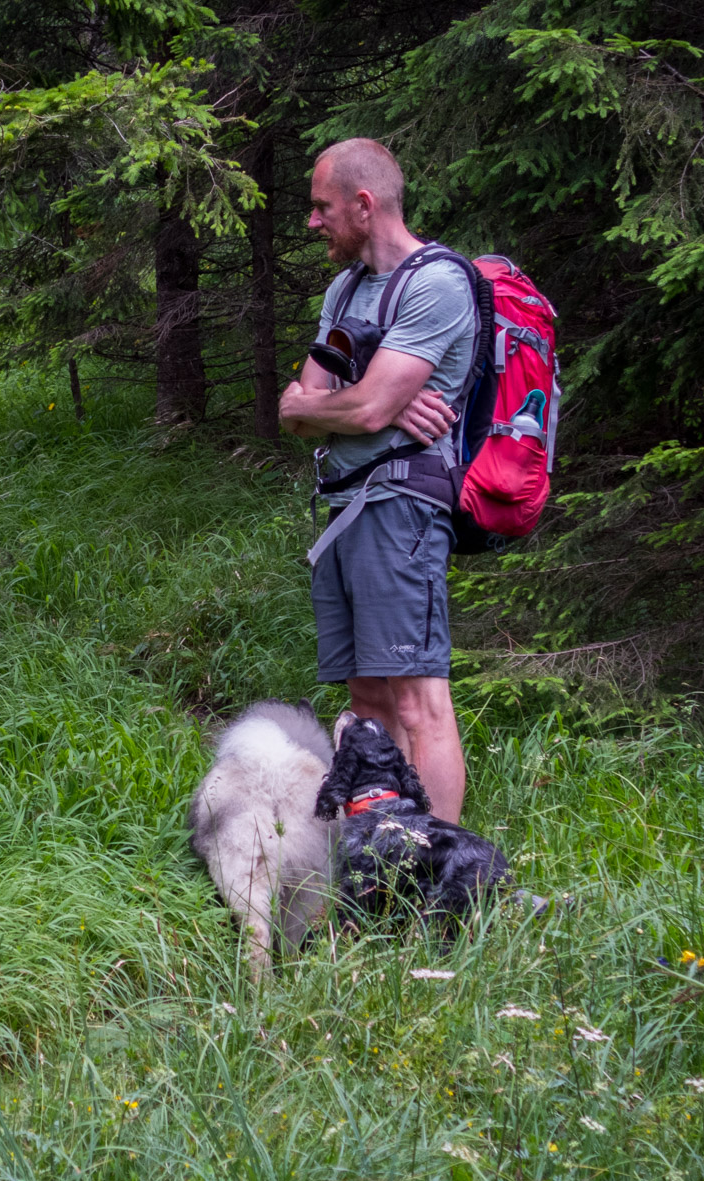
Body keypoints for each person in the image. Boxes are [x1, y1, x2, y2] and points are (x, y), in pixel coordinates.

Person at [279, 138, 476, 824]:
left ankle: (436, 875)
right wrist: (349, 404)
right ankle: (377, 857)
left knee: (419, 703)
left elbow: (353, 406)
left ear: (364, 206)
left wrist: (350, 405)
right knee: (367, 700)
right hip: (341, 508)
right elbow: (299, 405)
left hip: (400, 508)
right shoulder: (346, 290)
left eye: (321, 207)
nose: (312, 221)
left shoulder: (437, 283)